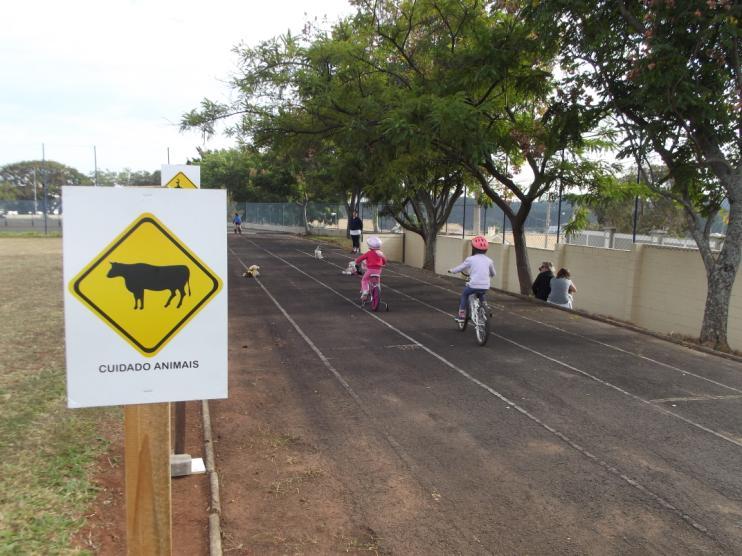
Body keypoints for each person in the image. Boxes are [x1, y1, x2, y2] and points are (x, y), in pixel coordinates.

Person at [449, 235, 496, 321]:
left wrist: (452, 271)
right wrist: (490, 275)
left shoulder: (470, 259)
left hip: (473, 284)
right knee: (481, 293)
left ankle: (461, 315)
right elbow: (493, 274)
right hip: (486, 285)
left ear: (473, 248)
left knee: (465, 294)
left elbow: (461, 268)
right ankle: (485, 307)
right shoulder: (489, 261)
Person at [355, 236, 386, 301]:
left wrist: (356, 261)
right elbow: (384, 260)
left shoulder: (368, 253)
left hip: (370, 270)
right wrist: (383, 263)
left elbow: (360, 258)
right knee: (377, 282)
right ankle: (378, 291)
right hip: (378, 270)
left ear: (369, 246)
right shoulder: (380, 253)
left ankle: (365, 291)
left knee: (364, 280)